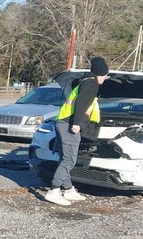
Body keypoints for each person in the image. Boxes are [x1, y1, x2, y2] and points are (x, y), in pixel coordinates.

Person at [44, 56, 110, 206]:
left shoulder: (83, 81)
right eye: (106, 76)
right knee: (69, 160)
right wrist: (77, 123)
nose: (105, 79)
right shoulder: (91, 84)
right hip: (69, 124)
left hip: (62, 121)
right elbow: (81, 103)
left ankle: (68, 189)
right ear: (101, 74)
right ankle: (54, 191)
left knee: (64, 158)